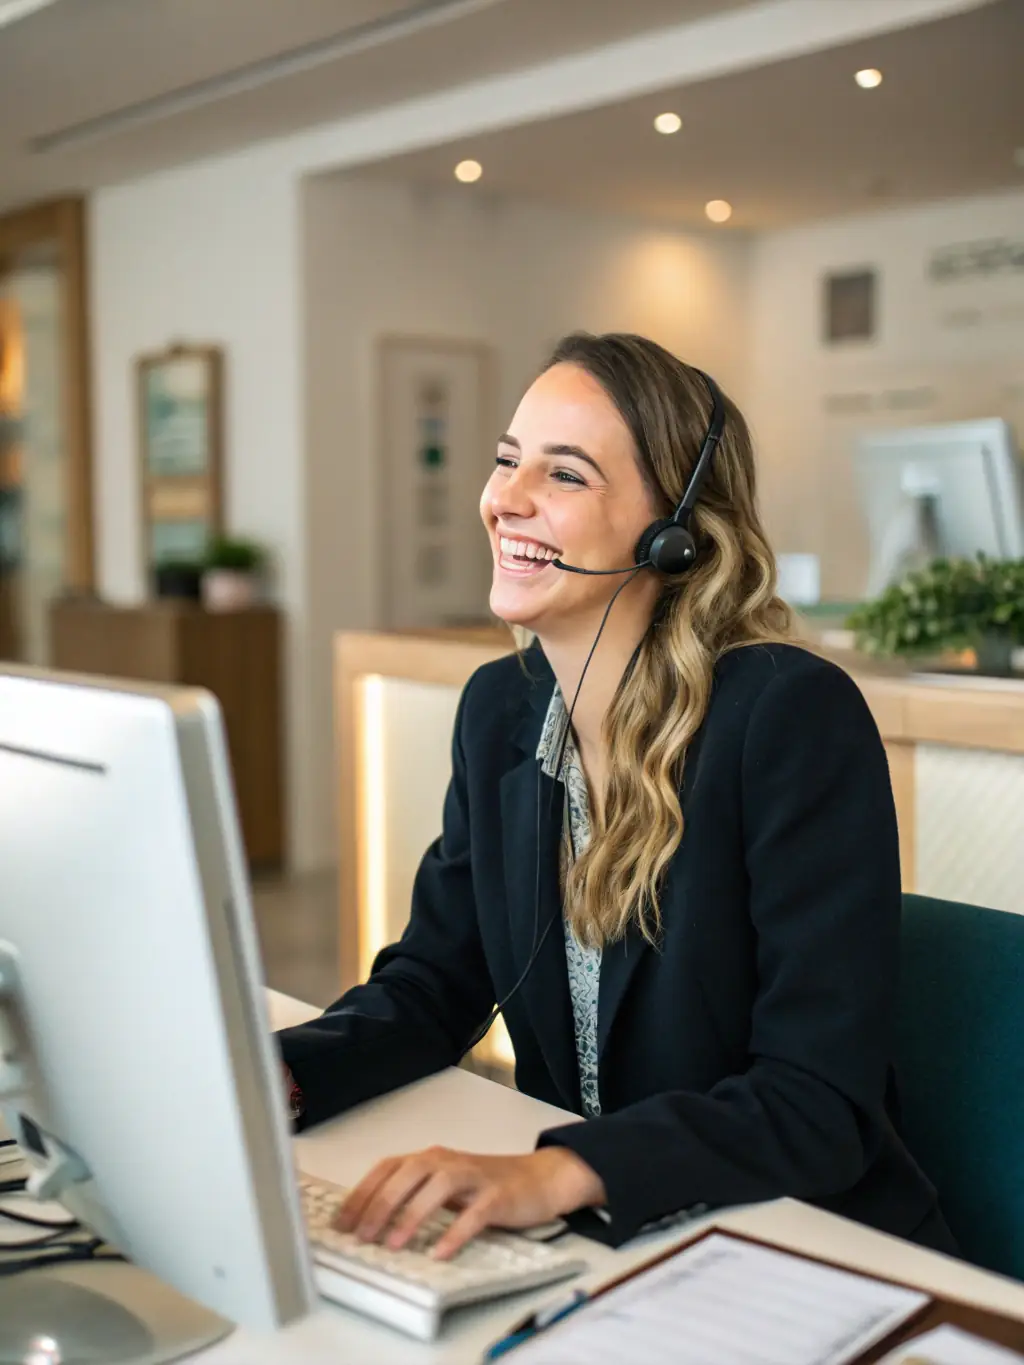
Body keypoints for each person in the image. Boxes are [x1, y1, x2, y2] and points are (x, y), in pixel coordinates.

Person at [277, 332, 954, 1264]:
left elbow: (818, 1102)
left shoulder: (786, 717)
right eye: (508, 459)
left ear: (670, 530)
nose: (505, 498)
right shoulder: (499, 715)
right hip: (614, 1243)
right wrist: (283, 1073)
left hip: (799, 1244)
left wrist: (558, 1170)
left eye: (564, 474)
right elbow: (435, 981)